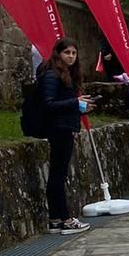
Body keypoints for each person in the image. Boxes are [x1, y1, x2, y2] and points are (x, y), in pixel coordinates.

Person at [37, 38, 95, 234]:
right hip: (58, 129)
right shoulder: (52, 75)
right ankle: (65, 218)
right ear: (58, 54)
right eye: (67, 53)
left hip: (65, 125)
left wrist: (80, 107)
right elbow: (49, 105)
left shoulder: (65, 75)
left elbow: (63, 103)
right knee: (58, 175)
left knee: (58, 174)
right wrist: (74, 102)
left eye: (73, 53)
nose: (71, 56)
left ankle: (55, 218)